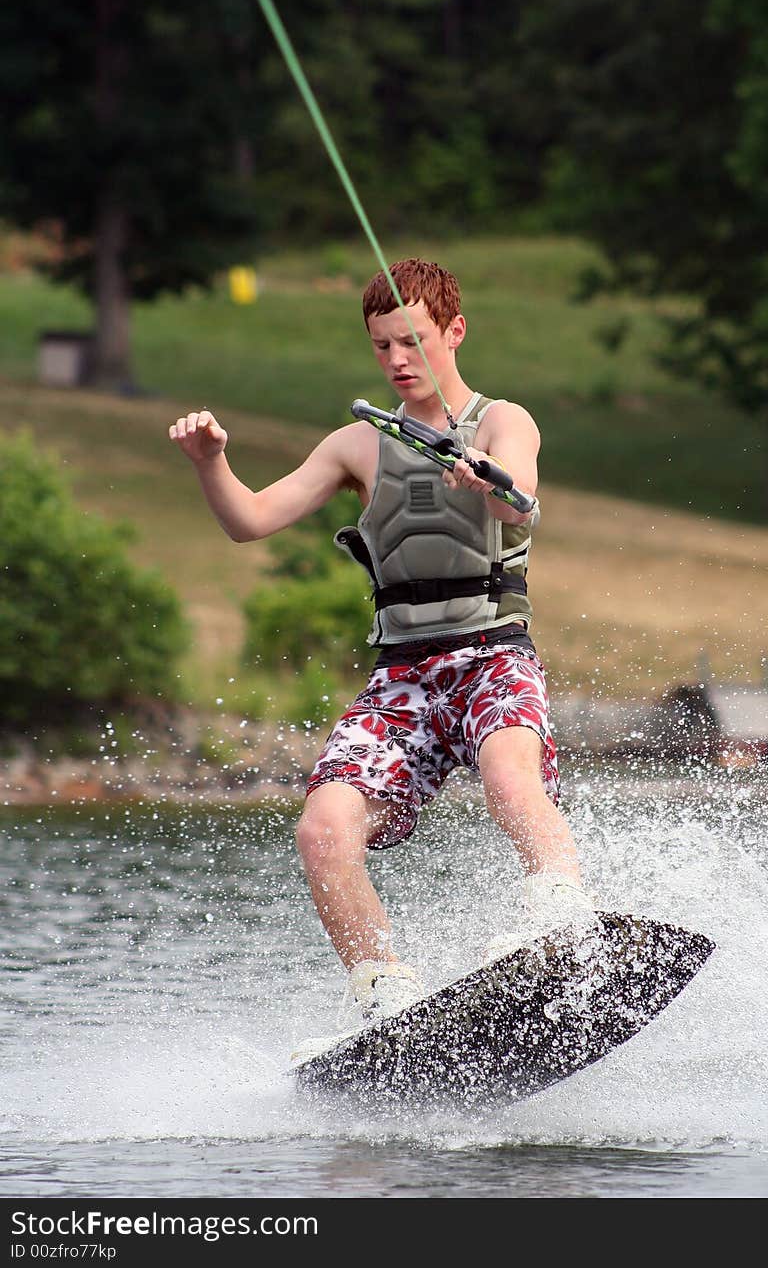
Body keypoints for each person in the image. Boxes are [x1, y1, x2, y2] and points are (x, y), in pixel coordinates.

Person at [169, 258, 596, 1056]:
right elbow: (251, 520)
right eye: (381, 346)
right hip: (402, 674)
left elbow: (523, 495)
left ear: (454, 332)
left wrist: (488, 480)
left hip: (491, 654)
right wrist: (210, 463)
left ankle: (560, 914)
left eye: (413, 340)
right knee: (322, 830)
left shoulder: (504, 421)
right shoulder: (357, 445)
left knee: (510, 772)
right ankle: (384, 993)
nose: (398, 360)